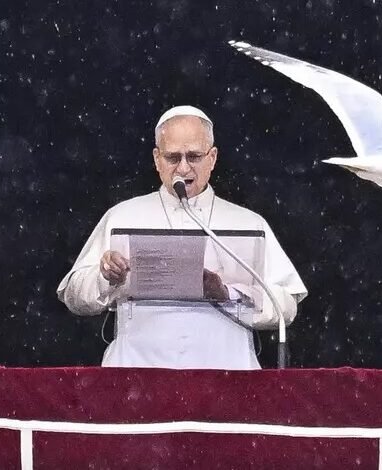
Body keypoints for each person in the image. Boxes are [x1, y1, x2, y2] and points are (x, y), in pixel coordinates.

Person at [56, 105, 307, 369]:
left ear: (212, 158)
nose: (183, 168)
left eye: (194, 156)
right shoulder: (123, 216)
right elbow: (74, 297)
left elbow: (286, 307)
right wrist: (105, 278)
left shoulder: (248, 222)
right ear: (157, 159)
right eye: (173, 157)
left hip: (227, 374)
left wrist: (226, 293)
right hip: (137, 374)